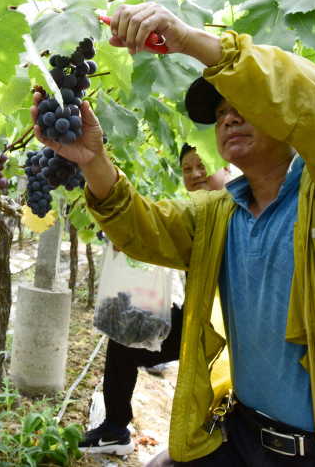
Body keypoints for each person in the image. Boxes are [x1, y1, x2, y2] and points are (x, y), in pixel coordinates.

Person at [32, 2, 315, 466]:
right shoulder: (219, 213)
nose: (228, 118)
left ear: (287, 116)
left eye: (243, 105)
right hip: (242, 434)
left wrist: (191, 42)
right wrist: (93, 161)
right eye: (221, 113)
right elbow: (141, 227)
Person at [79, 145, 229, 456]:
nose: (195, 174)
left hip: (226, 334)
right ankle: (116, 428)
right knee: (125, 339)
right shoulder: (198, 216)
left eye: (202, 165)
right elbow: (155, 231)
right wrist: (133, 242)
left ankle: (205, 439)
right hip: (199, 319)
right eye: (187, 169)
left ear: (227, 167)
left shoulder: (238, 212)